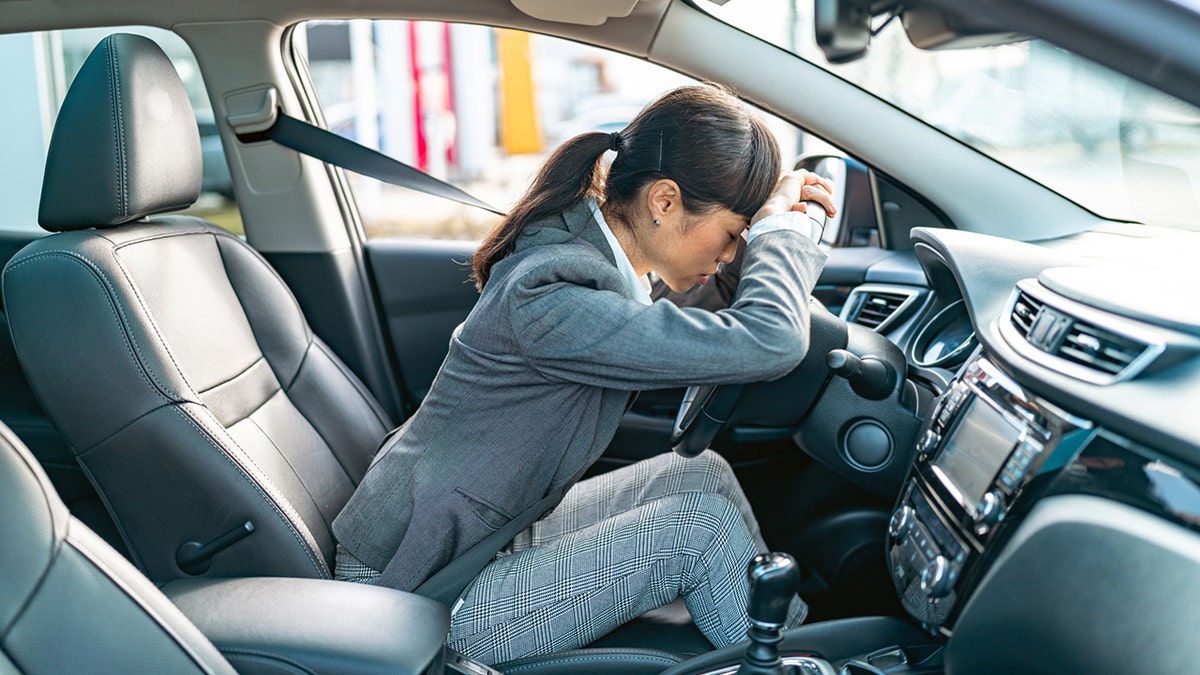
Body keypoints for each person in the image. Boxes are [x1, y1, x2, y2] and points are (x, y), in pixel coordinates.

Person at [331, 84, 836, 664]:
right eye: (731, 234)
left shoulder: (589, 259)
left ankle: (794, 640)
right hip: (412, 590)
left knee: (698, 477)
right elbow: (771, 341)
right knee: (697, 528)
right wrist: (782, 237)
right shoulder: (554, 293)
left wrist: (759, 226)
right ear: (665, 201)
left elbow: (697, 327)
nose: (730, 253)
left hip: (473, 540)